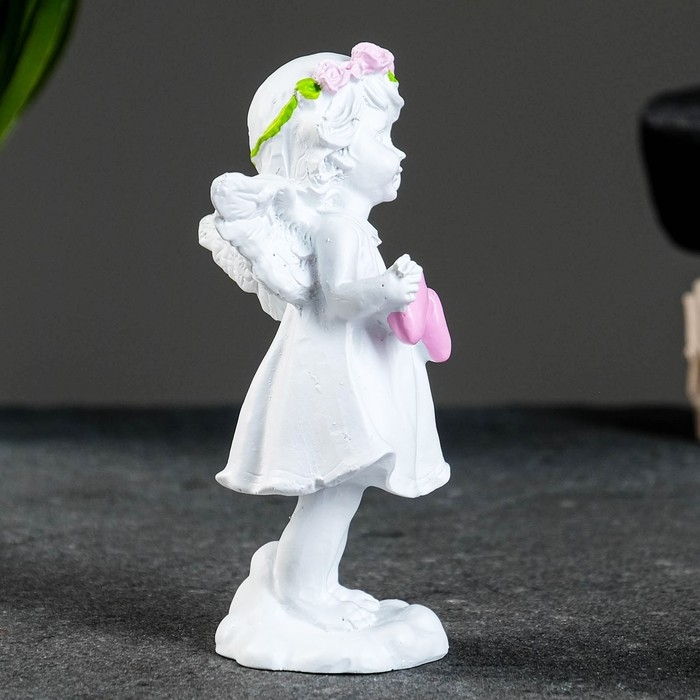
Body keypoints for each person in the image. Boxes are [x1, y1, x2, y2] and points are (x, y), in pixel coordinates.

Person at [199, 42, 451, 670]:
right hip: (332, 375)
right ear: (332, 156)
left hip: (352, 365)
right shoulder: (339, 228)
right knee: (336, 486)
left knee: (344, 488)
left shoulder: (353, 227)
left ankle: (309, 585)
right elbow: (336, 300)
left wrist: (401, 310)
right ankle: (302, 592)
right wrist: (387, 292)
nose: (399, 152)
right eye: (383, 137)